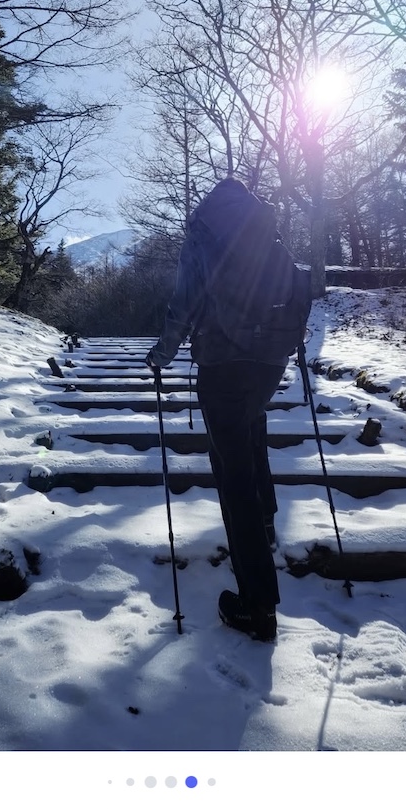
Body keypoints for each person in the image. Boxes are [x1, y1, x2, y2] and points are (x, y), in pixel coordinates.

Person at [146, 177, 310, 643]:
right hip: (270, 362)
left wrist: (161, 355)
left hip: (222, 362)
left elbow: (185, 301)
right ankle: (266, 524)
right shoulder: (269, 233)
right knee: (252, 431)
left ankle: (257, 606)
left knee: (233, 475)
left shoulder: (203, 234)